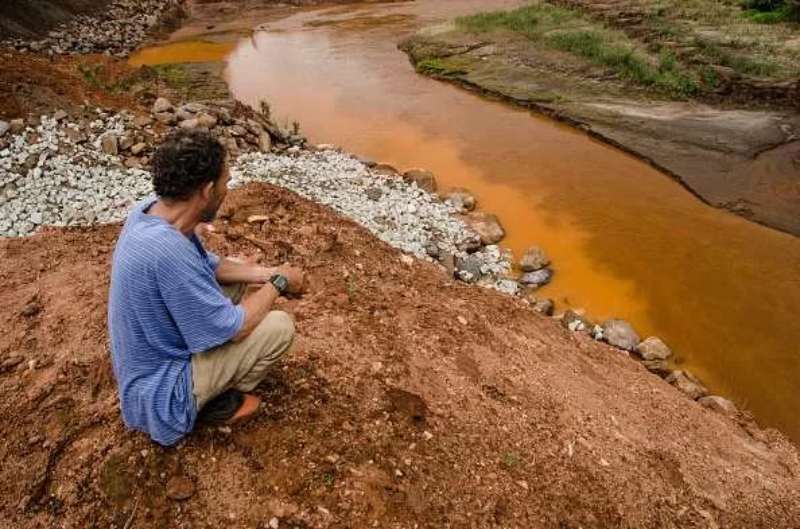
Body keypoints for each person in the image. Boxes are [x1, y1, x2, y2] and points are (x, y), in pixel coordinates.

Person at [107, 129, 304, 446]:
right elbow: (235, 328)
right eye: (225, 182)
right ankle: (213, 402)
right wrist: (279, 283)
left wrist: (264, 273)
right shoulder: (167, 252)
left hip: (146, 369)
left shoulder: (151, 213)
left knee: (240, 285)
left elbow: (208, 264)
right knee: (279, 326)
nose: (228, 189)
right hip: (162, 395)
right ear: (207, 190)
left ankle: (213, 377)